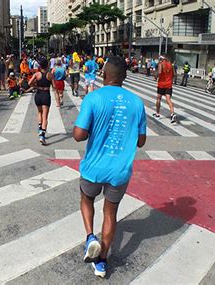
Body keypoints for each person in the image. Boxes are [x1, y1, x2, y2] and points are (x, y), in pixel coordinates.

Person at [73, 56, 146, 278]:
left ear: (104, 75)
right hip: (120, 170)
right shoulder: (137, 102)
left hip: (94, 168)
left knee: (86, 199)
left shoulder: (93, 98)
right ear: (125, 77)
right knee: (110, 213)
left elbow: (79, 135)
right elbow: (141, 141)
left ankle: (90, 238)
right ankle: (102, 261)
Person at [28, 58, 53, 145]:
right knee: (45, 116)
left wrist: (36, 85)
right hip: (46, 94)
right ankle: (42, 135)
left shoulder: (37, 74)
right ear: (47, 65)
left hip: (38, 94)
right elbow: (54, 86)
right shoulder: (50, 74)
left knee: (39, 112)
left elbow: (29, 83)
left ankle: (39, 128)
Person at [153, 55, 177, 124]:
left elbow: (159, 72)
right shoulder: (171, 65)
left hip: (161, 84)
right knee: (168, 99)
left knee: (158, 99)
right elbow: (174, 74)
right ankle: (172, 113)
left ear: (162, 59)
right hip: (169, 85)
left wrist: (155, 76)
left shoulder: (161, 64)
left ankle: (157, 113)